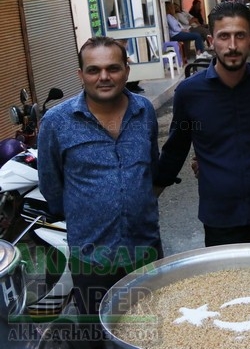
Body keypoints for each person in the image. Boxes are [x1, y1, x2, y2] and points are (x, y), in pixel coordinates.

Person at [38, 36, 163, 346]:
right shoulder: (56, 122)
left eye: (113, 68)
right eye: (93, 70)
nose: (104, 77)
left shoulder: (144, 111)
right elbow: (51, 186)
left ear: (127, 70)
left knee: (151, 330)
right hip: (91, 258)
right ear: (80, 75)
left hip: (145, 249)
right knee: (98, 337)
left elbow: (152, 167)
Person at [155, 2, 250, 247]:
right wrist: (150, 198)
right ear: (210, 41)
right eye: (224, 36)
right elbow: (176, 148)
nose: (233, 45)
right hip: (220, 220)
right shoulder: (189, 92)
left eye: (240, 36)